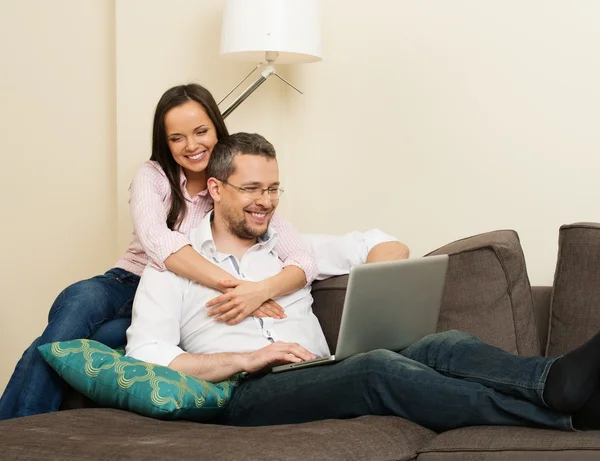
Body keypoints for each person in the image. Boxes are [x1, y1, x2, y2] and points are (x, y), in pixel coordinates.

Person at [126, 132, 600, 432]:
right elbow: (146, 356)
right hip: (248, 392)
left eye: (273, 189)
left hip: (320, 372)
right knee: (374, 369)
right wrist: (248, 357)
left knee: (444, 343)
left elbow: (387, 244)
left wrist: (283, 287)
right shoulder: (172, 267)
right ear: (214, 189)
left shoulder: (291, 252)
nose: (265, 202)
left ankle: (551, 380)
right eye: (251, 189)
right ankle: (563, 414)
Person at [0, 83, 319, 420]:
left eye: (201, 132)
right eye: (176, 137)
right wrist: (237, 288)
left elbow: (303, 258)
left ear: (217, 130)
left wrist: (261, 290)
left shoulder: (235, 186)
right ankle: (20, 425)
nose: (192, 145)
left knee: (93, 341)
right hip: (128, 280)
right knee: (74, 308)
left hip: (170, 294)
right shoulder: (152, 176)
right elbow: (158, 243)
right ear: (165, 143)